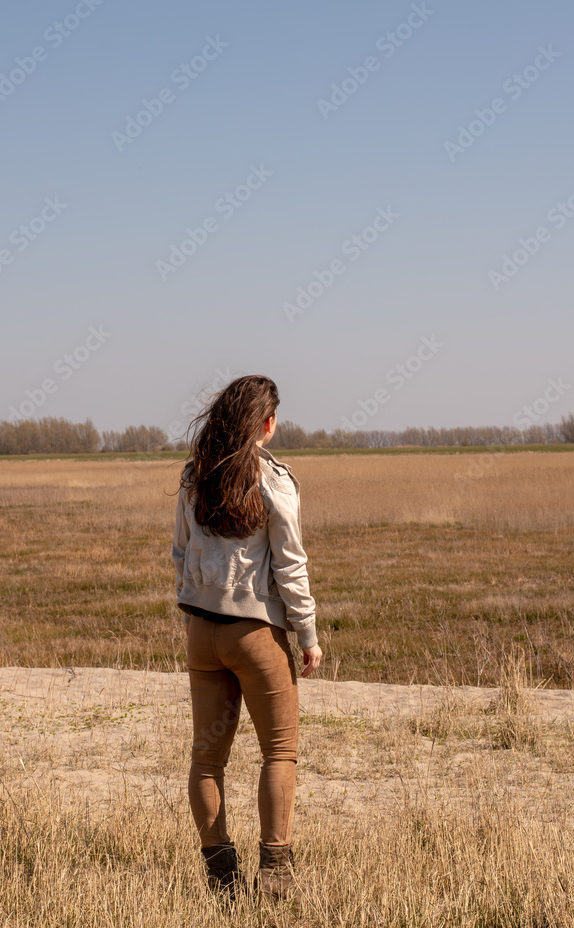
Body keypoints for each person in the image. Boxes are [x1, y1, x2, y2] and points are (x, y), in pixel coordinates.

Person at [172, 374, 323, 908]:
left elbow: (180, 555)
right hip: (255, 634)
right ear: (266, 423)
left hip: (202, 634)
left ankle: (222, 879)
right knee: (279, 753)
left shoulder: (196, 475)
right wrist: (307, 634)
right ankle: (275, 878)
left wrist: (190, 615)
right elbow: (291, 565)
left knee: (206, 761)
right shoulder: (272, 480)